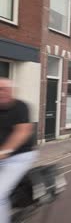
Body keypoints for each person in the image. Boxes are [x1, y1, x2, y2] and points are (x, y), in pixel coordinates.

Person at [0, 78, 38, 222]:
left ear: (11, 91)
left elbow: (22, 132)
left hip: (20, 156)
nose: (1, 93)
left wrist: (4, 152)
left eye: (4, 89)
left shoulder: (20, 107)